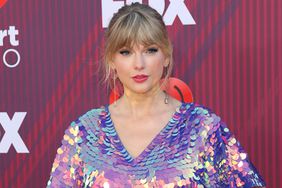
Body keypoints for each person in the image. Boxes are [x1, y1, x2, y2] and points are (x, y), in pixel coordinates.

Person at [47, 3, 266, 187]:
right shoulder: (85, 133)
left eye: (150, 50)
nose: (139, 64)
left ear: (166, 56)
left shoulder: (202, 127)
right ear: (112, 60)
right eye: (126, 52)